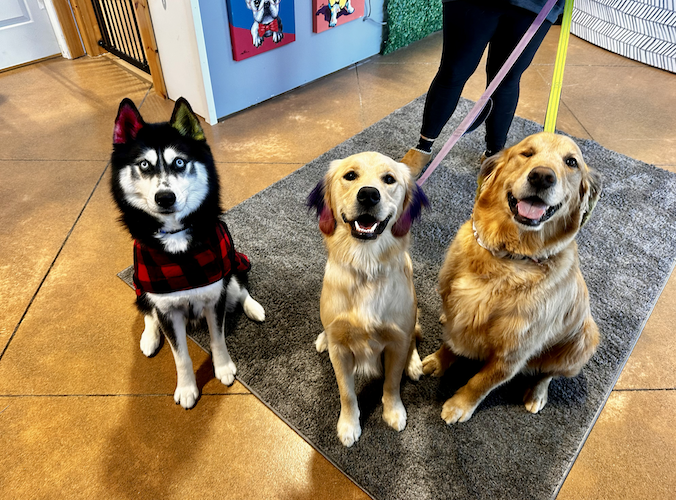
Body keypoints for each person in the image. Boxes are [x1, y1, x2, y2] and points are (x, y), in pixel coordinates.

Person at [401, 0, 565, 175]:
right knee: (453, 71)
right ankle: (423, 147)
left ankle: (494, 155)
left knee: (506, 81)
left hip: (537, 5)